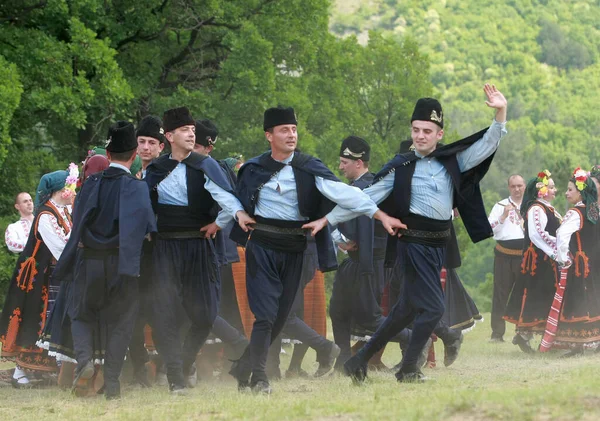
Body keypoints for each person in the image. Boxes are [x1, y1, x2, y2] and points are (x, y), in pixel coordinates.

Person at [306, 84, 508, 383]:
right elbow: (365, 199)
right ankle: (409, 369)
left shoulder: (453, 160)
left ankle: (358, 362)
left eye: (427, 131)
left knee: (404, 311)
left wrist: (501, 112)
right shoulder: (401, 167)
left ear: (439, 134)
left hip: (439, 243)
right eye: (416, 130)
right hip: (413, 244)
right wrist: (329, 219)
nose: (420, 136)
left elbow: (486, 145)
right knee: (434, 307)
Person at [228, 106, 399, 395]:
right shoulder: (254, 169)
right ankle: (258, 377)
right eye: (284, 130)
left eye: (294, 130)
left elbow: (347, 194)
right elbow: (234, 200)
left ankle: (243, 368)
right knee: (266, 315)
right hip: (263, 245)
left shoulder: (308, 167)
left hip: (295, 247)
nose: (291, 135)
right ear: (269, 135)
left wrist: (378, 215)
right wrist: (235, 214)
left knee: (281, 316)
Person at [145, 107, 254, 394]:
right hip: (166, 248)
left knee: (205, 314)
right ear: (169, 136)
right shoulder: (155, 170)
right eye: (184, 130)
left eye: (193, 129)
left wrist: (225, 221)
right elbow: (143, 207)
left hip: (198, 245)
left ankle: (183, 363)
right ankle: (174, 376)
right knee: (165, 314)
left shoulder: (205, 165)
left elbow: (225, 197)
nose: (191, 133)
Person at [52, 121, 157, 400]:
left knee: (81, 314)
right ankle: (112, 383)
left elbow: (78, 221)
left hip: (89, 263)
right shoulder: (137, 188)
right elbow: (148, 226)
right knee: (122, 323)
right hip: (121, 265)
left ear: (107, 155)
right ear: (134, 154)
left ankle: (84, 360)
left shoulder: (90, 184)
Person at [0, 167, 77, 387]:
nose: (72, 191)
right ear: (59, 191)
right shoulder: (45, 215)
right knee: (34, 320)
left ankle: (47, 368)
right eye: (69, 187)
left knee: (50, 320)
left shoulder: (62, 210)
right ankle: (19, 372)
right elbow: (60, 248)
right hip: (38, 278)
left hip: (53, 274)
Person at [329, 136, 390, 371]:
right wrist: (341, 241)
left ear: (359, 162)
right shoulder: (351, 189)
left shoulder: (373, 187)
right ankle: (343, 361)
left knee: (370, 317)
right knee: (338, 311)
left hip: (370, 262)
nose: (341, 166)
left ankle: (415, 339)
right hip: (353, 261)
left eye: (345, 162)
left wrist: (343, 238)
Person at [503, 170, 560, 353]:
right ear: (540, 191)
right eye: (550, 187)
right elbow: (537, 235)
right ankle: (524, 335)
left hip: (546, 260)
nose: (554, 190)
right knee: (536, 295)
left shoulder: (547, 207)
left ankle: (533, 336)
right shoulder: (537, 208)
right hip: (539, 262)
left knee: (545, 296)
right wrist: (557, 249)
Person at [545, 168, 600, 356]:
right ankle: (592, 341)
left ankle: (578, 344)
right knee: (592, 297)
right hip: (593, 264)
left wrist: (562, 259)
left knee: (577, 299)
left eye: (570, 190)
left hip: (578, 265)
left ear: (580, 191)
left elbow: (562, 235)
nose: (567, 193)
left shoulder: (575, 213)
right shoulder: (594, 211)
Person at [488, 175, 526, 342]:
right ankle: (497, 334)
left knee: (525, 294)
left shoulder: (531, 206)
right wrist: (503, 216)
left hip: (525, 255)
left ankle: (523, 331)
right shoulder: (500, 206)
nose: (517, 189)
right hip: (504, 254)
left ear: (524, 186)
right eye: (513, 186)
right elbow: (489, 229)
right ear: (509, 187)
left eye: (519, 186)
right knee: (500, 294)